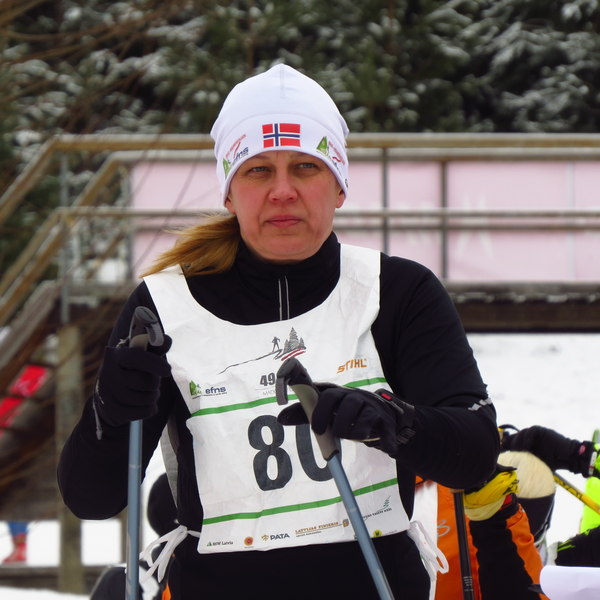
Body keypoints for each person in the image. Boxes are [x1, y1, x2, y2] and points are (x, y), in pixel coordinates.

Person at [57, 64, 499, 600]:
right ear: (229, 192)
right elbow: (92, 498)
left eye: (306, 167)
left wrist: (393, 422)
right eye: (258, 170)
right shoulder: (165, 306)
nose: (283, 191)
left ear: (339, 185)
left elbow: (475, 455)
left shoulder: (396, 291)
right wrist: (110, 411)